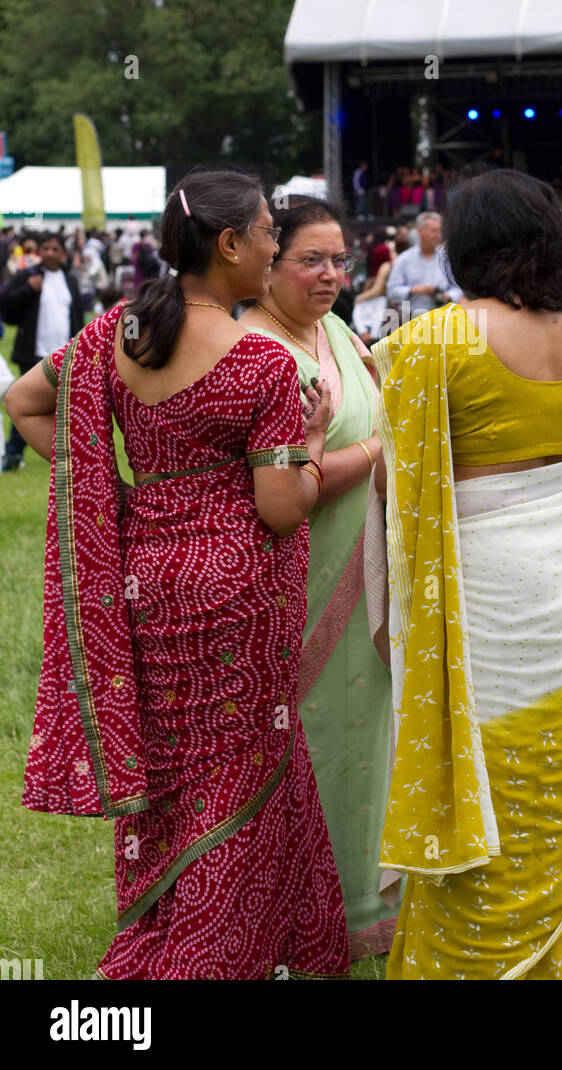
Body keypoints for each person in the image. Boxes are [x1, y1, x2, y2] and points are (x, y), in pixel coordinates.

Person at [6, 171, 349, 979]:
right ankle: (205, 957)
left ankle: (183, 937)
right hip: (239, 594)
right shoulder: (262, 365)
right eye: (268, 232)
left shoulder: (113, 337)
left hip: (143, 582)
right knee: (240, 769)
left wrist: (112, 492)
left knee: (176, 772)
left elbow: (23, 402)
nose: (274, 245)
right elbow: (281, 510)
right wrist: (314, 441)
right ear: (229, 246)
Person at [371, 169, 562, 979]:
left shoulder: (430, 342)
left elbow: (391, 480)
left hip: (484, 583)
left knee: (483, 765)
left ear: (465, 248)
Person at [238, 201, 394, 959]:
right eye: (312, 260)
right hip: (292, 583)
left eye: (340, 259)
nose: (332, 274)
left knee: (369, 734)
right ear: (267, 265)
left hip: (366, 574)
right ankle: (301, 912)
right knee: (306, 736)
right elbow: (286, 490)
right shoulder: (253, 349)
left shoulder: (336, 332)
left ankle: (364, 904)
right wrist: (377, 449)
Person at [0, 232, 85, 470]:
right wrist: (28, 289)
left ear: (63, 254)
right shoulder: (29, 275)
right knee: (27, 404)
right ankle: (14, 454)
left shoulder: (70, 281)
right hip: (34, 353)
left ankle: (72, 457)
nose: (49, 252)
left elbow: (78, 315)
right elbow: (7, 309)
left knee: (67, 409)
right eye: (45, 248)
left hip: (65, 355)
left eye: (54, 248)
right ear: (39, 252)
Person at [385, 211, 462, 322]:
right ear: (420, 232)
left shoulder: (446, 259)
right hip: (411, 320)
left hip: (442, 320)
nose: (439, 235)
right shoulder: (404, 259)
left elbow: (457, 288)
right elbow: (391, 291)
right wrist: (414, 290)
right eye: (434, 231)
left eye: (440, 231)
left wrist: (448, 296)